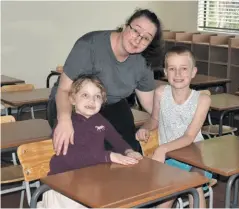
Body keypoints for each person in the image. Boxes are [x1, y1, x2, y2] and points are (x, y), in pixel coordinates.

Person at [47, 8, 163, 155]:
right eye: (136, 31)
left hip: (111, 104)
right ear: (126, 26)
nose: (138, 40)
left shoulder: (143, 61)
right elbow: (63, 90)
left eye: (146, 38)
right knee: (84, 149)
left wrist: (174, 117)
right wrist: (64, 120)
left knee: (129, 148)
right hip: (72, 102)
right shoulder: (89, 45)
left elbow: (149, 103)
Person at [38, 74, 143, 208]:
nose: (92, 101)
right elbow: (72, 157)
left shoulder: (99, 120)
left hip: (88, 182)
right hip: (60, 187)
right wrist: (109, 156)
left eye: (97, 97)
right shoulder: (66, 125)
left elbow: (116, 140)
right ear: (72, 99)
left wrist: (128, 151)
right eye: (85, 95)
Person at [136, 46, 211, 208]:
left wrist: (162, 149)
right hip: (169, 159)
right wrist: (145, 128)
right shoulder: (161, 93)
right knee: (165, 195)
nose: (178, 74)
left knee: (195, 185)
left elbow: (190, 136)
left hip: (195, 158)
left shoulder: (202, 100)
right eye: (172, 69)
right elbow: (154, 119)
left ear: (193, 72)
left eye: (184, 69)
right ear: (165, 72)